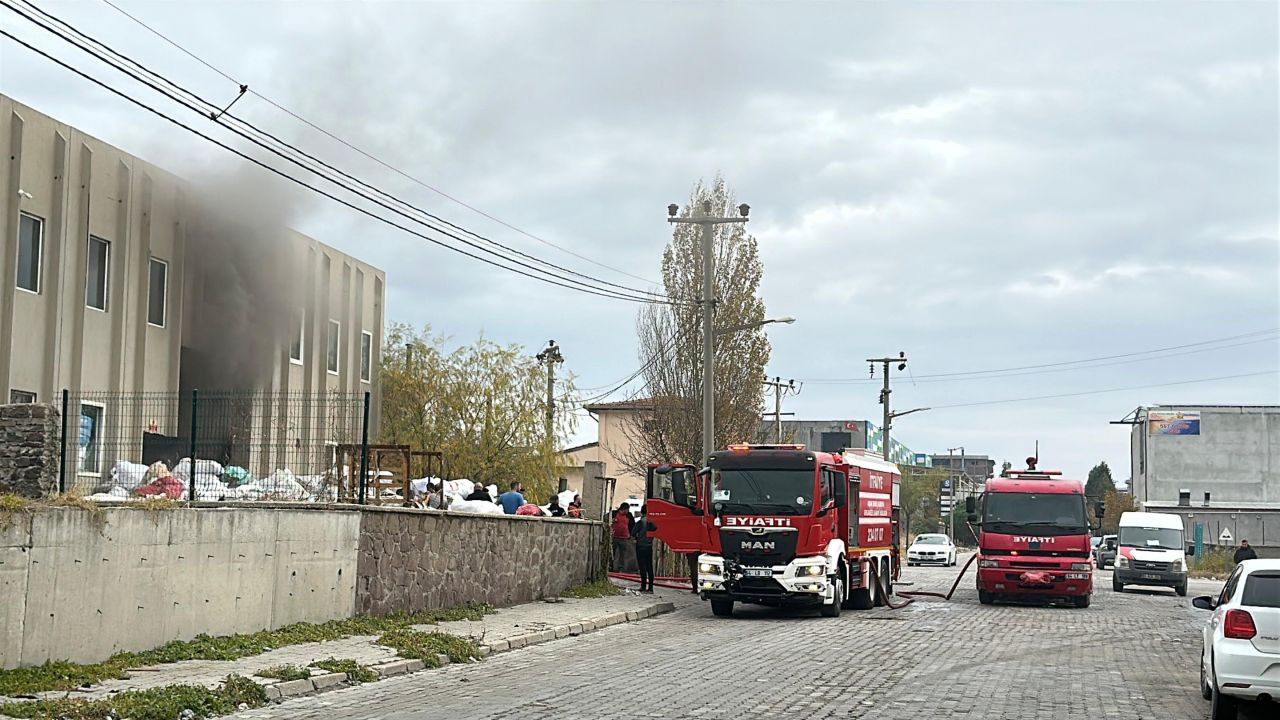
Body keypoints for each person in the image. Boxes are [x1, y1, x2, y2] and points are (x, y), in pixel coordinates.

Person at [632, 507, 659, 592]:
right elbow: (656, 530)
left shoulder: (640, 522)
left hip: (640, 546)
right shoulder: (652, 523)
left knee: (642, 567)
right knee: (649, 567)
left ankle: (643, 587)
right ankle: (650, 588)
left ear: (641, 512)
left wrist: (636, 539)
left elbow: (633, 533)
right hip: (649, 546)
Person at [611, 502, 633, 570]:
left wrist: (631, 534)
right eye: (627, 509)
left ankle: (621, 568)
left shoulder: (629, 515)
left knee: (622, 555)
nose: (628, 511)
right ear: (624, 509)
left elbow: (632, 525)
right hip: (614, 537)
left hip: (624, 538)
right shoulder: (614, 514)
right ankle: (610, 567)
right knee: (612, 554)